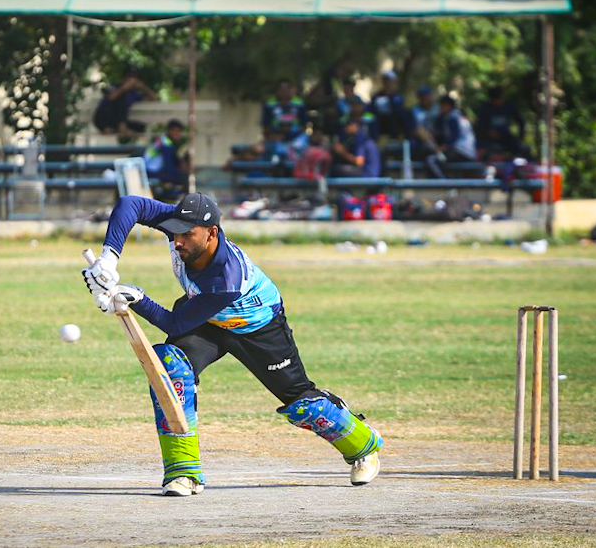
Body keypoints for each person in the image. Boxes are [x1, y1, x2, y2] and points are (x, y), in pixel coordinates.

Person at [81, 193, 383, 496]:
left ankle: (363, 445)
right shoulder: (182, 226)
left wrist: (135, 298)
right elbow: (130, 205)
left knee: (301, 403)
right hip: (206, 321)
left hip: (258, 329)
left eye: (187, 234)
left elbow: (174, 324)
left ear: (211, 233)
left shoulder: (227, 277)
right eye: (174, 232)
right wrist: (109, 260)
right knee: (169, 369)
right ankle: (183, 472)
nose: (178, 241)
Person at [93, 70, 157, 142]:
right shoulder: (115, 87)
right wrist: (124, 88)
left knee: (140, 126)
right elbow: (111, 98)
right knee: (120, 98)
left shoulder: (134, 94)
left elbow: (154, 98)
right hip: (104, 118)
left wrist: (143, 88)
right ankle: (117, 128)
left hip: (121, 121)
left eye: (134, 78)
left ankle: (119, 129)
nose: (131, 81)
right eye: (129, 77)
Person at [426, 94, 477, 179]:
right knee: (439, 159)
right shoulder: (458, 115)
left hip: (461, 152)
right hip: (467, 153)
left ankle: (444, 183)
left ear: (448, 106)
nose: (440, 108)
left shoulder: (453, 118)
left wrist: (440, 149)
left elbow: (453, 138)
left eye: (442, 106)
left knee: (432, 160)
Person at [475, 85, 528, 160]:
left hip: (506, 137)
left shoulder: (508, 107)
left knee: (523, 149)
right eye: (495, 100)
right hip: (489, 141)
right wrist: (488, 132)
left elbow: (521, 121)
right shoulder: (485, 109)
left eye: (499, 99)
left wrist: (520, 137)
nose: (497, 102)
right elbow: (479, 126)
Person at [144, 119, 189, 200]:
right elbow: (169, 166)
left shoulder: (164, 141)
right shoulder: (166, 144)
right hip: (152, 172)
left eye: (179, 132)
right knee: (183, 177)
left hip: (153, 171)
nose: (177, 134)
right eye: (174, 131)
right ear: (169, 131)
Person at [262, 79, 308, 149]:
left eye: (287, 89)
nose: (284, 92)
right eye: (282, 90)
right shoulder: (270, 103)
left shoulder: (299, 103)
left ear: (291, 90)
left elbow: (304, 122)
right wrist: (271, 135)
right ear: (277, 91)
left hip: (295, 137)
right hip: (275, 138)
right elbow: (266, 123)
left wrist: (299, 135)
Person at [368, 69, 408, 139]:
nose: (388, 82)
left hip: (394, 125)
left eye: (390, 80)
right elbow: (370, 112)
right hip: (379, 123)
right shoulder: (376, 96)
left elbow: (401, 111)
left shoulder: (398, 97)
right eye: (386, 80)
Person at [408, 85, 440, 159]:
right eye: (421, 96)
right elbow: (413, 127)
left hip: (437, 137)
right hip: (421, 138)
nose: (424, 98)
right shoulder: (414, 110)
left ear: (430, 96)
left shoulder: (439, 109)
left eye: (425, 96)